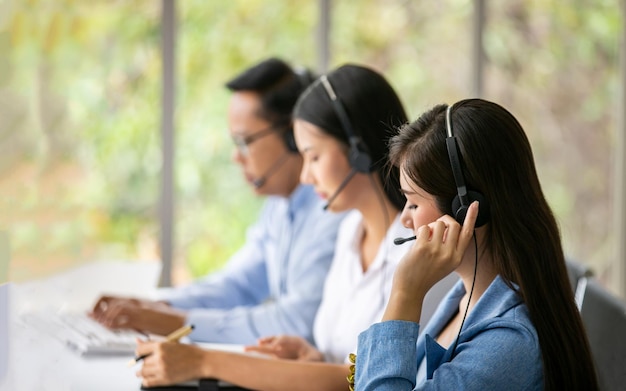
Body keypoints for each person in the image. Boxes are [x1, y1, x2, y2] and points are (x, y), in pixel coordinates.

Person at [135, 64, 456, 390]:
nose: (305, 177)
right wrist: (312, 358)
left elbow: (367, 380)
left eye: (313, 157)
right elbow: (346, 364)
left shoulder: (422, 249)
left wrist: (205, 360)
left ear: (357, 150)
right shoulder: (349, 233)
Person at [90, 58, 347, 344]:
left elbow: (297, 322)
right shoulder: (280, 206)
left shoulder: (333, 212)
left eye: (244, 141)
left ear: (292, 135)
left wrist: (178, 323)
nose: (236, 157)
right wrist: (155, 305)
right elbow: (238, 285)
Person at [354, 98, 599, 390]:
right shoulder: (462, 298)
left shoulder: (510, 343)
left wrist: (404, 293)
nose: (405, 219)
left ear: (467, 208)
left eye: (414, 203)